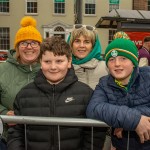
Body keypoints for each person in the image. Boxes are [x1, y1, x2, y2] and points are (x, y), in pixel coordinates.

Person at [7, 36, 101, 150]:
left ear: (69, 62)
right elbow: (16, 133)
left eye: (59, 61)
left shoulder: (86, 94)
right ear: (40, 62)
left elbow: (94, 135)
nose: (53, 67)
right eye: (47, 61)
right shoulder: (24, 95)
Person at [86, 37, 150, 150]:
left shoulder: (148, 76)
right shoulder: (104, 83)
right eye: (111, 60)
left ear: (134, 62)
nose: (117, 64)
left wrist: (125, 122)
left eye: (123, 58)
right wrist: (133, 120)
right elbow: (94, 108)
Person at [0, 16, 42, 148]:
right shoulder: (2, 69)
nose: (29, 47)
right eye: (23, 43)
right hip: (8, 138)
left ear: (40, 46)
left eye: (34, 43)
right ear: (17, 46)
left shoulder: (49, 69)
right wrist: (4, 114)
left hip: (42, 138)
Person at [68, 24, 109, 149]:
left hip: (102, 136)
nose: (81, 46)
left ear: (93, 45)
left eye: (87, 41)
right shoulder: (63, 68)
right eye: (77, 41)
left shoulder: (106, 68)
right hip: (70, 136)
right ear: (71, 44)